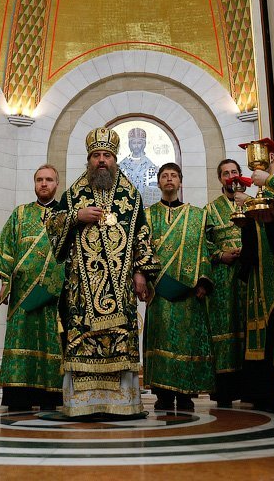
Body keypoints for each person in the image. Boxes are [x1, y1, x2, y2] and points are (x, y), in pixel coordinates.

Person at [45, 127, 159, 418]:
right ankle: (83, 406)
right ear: (89, 159)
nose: (101, 161)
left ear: (115, 158)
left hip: (120, 288)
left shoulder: (130, 194)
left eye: (106, 155)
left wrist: (141, 273)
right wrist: (76, 216)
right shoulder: (75, 192)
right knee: (83, 341)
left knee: (119, 340)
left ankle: (122, 404)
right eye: (96, 155)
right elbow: (53, 224)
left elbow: (142, 235)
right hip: (82, 290)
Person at [0, 164, 66, 411]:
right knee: (21, 339)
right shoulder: (20, 214)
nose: (44, 184)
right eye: (40, 179)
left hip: (54, 297)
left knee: (49, 342)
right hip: (22, 295)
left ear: (57, 184)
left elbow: (71, 256)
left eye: (49, 180)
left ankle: (49, 398)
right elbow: (6, 250)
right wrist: (4, 281)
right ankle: (18, 397)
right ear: (34, 183)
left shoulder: (65, 217)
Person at [143, 163, 215, 411]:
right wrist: (143, 279)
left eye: (173, 175)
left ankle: (186, 394)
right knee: (161, 339)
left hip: (188, 291)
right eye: (164, 176)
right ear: (159, 182)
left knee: (187, 340)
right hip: (160, 289)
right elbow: (142, 251)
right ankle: (163, 394)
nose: (169, 179)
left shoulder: (197, 215)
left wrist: (203, 280)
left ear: (180, 181)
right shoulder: (148, 215)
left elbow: (204, 248)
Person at [238, 139, 274, 413]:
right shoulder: (263, 191)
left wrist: (270, 182)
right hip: (260, 270)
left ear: (269, 156)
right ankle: (263, 391)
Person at [204, 159, 249, 407]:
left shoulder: (254, 202)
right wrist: (221, 255)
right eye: (225, 174)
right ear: (220, 179)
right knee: (224, 329)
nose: (230, 177)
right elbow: (204, 242)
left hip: (249, 275)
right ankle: (224, 389)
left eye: (234, 172)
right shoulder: (210, 210)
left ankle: (250, 386)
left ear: (240, 176)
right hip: (222, 277)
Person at [118, 127, 160, 205]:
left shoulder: (150, 165)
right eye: (134, 143)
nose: (136, 146)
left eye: (139, 143)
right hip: (126, 203)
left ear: (144, 144)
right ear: (130, 145)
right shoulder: (122, 165)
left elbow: (154, 188)